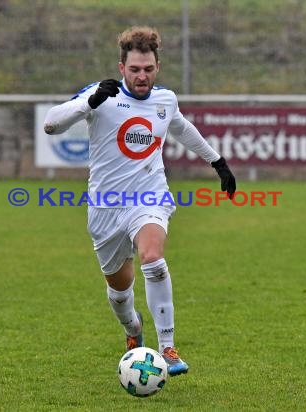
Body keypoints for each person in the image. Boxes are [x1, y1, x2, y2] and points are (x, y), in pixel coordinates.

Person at [43, 26, 236, 376]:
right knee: (119, 292)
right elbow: (51, 125)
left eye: (148, 69)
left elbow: (181, 128)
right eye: (134, 69)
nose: (141, 76)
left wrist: (217, 162)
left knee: (153, 257)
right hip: (105, 206)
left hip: (149, 196)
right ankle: (133, 330)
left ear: (157, 67)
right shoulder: (102, 95)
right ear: (122, 67)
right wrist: (88, 102)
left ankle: (168, 348)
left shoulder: (165, 100)